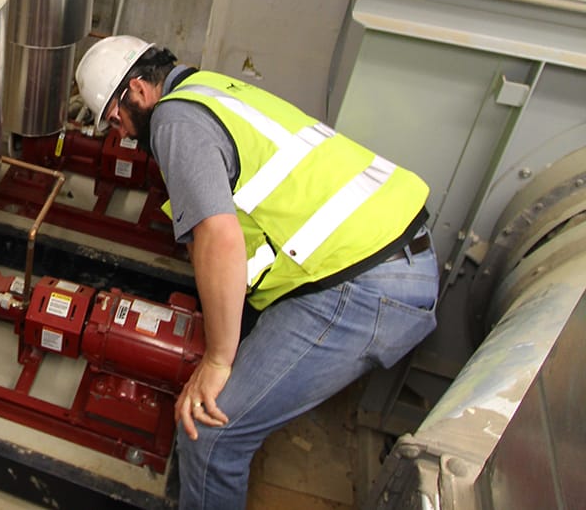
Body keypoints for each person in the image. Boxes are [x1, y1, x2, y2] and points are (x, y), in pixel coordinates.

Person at [74, 36, 439, 509]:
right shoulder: (208, 88)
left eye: (115, 119)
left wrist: (218, 362)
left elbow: (218, 237)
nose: (119, 134)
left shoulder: (173, 121)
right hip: (391, 254)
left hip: (358, 286)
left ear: (138, 91)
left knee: (210, 435)